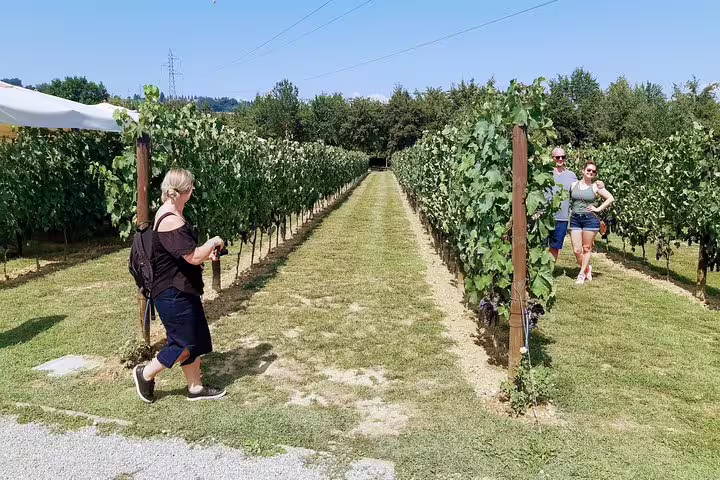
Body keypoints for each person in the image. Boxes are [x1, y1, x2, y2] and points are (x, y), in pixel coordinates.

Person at [132, 168, 227, 403]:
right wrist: (213, 242)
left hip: (181, 287)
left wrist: (207, 255)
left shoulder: (172, 213)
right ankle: (145, 373)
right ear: (187, 191)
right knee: (183, 343)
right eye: (192, 188)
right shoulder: (170, 219)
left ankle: (195, 387)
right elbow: (192, 256)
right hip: (171, 293)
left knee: (193, 338)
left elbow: (182, 255)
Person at [547, 148, 605, 261]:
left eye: (562, 157)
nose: (560, 159)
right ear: (552, 158)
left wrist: (599, 182)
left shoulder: (571, 175)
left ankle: (548, 273)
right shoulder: (545, 173)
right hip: (544, 216)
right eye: (557, 157)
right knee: (540, 247)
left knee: (554, 247)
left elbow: (583, 185)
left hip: (561, 218)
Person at [569, 161, 614, 285]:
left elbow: (610, 198)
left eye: (593, 171)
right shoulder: (573, 185)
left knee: (586, 248)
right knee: (577, 250)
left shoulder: (596, 187)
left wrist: (598, 208)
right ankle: (588, 268)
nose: (590, 173)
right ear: (583, 171)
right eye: (588, 170)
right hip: (575, 219)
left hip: (590, 219)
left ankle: (581, 274)